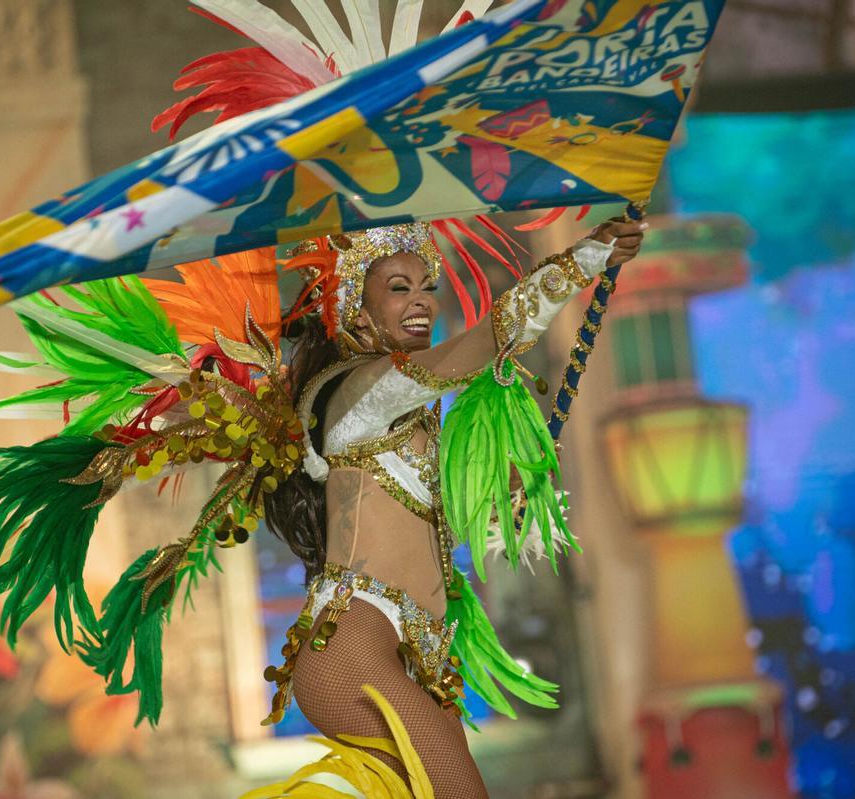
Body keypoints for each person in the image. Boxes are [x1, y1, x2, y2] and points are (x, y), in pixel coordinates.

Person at [260, 218, 646, 795]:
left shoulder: (410, 414)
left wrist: (518, 487)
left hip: (414, 656)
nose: (420, 302)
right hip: (353, 647)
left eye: (427, 287)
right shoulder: (359, 391)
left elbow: (443, 520)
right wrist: (585, 260)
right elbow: (488, 339)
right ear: (356, 311)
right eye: (398, 288)